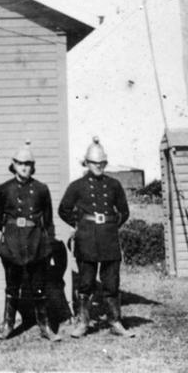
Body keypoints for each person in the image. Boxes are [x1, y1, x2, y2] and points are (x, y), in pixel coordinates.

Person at [58, 136, 134, 338]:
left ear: (105, 164)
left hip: (109, 238)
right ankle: (83, 322)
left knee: (111, 282)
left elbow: (124, 212)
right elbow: (63, 209)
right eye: (94, 163)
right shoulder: (77, 186)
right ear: (87, 163)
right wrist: (79, 224)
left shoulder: (114, 185)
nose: (98, 166)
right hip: (87, 239)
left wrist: (110, 225)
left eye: (101, 163)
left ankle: (115, 321)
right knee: (86, 282)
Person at [0, 141, 60, 341]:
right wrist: (11, 232)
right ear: (13, 164)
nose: (24, 167)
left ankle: (45, 327)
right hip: (12, 245)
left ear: (33, 166)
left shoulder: (41, 189)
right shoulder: (4, 189)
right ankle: (8, 326)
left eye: (28, 164)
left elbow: (47, 219)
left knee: (39, 286)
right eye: (20, 163)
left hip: (36, 243)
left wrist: (47, 243)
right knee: (12, 287)